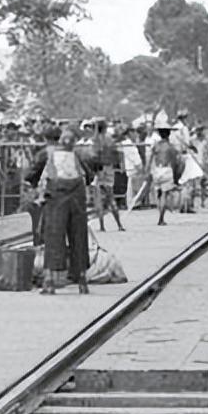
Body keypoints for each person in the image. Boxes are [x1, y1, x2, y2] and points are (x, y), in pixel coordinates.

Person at [26, 127, 93, 294]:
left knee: (54, 236)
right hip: (77, 195)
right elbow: (90, 176)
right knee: (78, 235)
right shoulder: (76, 154)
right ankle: (82, 279)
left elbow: (31, 175)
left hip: (56, 196)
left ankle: (49, 280)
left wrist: (35, 189)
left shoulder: (46, 153)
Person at [148, 115, 184, 226]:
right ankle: (161, 218)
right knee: (164, 194)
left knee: (159, 194)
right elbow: (175, 163)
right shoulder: (171, 147)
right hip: (166, 170)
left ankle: (160, 215)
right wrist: (176, 178)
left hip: (156, 170)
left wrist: (148, 172)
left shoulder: (156, 146)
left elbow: (150, 159)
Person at [90, 119, 124, 232]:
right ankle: (119, 224)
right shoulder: (110, 140)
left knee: (99, 198)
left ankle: (102, 226)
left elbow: (94, 156)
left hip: (100, 169)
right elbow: (117, 154)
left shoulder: (96, 140)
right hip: (110, 168)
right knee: (111, 197)